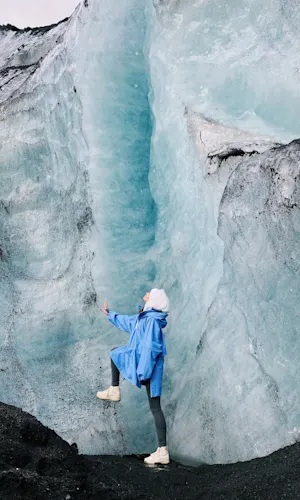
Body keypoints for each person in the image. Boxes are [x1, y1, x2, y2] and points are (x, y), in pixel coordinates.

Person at [97, 288, 170, 465]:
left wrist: (144, 372)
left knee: (155, 408)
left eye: (149, 293)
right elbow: (128, 322)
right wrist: (110, 315)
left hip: (148, 367)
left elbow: (151, 348)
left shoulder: (151, 321)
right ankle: (114, 389)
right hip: (144, 364)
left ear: (153, 299)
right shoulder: (145, 318)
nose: (145, 293)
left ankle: (163, 451)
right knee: (115, 353)